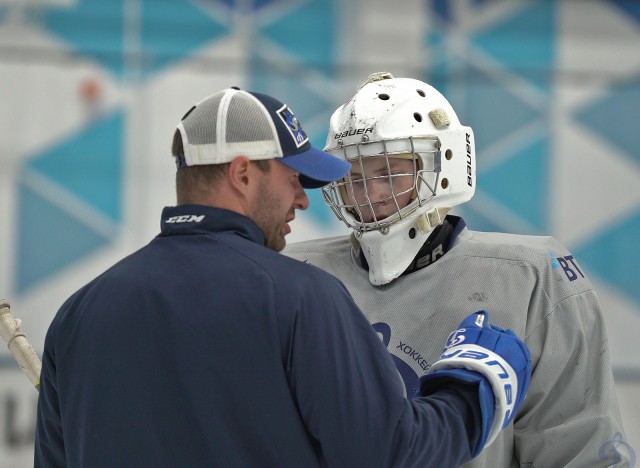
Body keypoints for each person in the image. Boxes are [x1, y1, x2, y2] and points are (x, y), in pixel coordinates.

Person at [34, 86, 531, 467]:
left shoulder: (79, 314)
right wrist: (475, 389)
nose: (301, 199)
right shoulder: (299, 298)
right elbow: (388, 454)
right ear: (243, 173)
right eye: (294, 178)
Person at [284, 72, 631, 467]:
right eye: (355, 178)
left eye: (389, 172)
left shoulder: (530, 277)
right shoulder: (294, 273)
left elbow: (579, 448)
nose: (371, 195)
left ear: (443, 165)